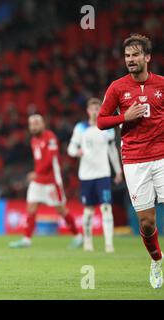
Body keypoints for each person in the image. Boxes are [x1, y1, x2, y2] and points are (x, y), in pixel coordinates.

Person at [97, 33, 164, 288]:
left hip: (162, 155)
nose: (131, 59)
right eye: (127, 56)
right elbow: (101, 121)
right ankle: (156, 260)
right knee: (146, 223)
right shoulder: (117, 88)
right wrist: (125, 116)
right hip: (135, 159)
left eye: (136, 55)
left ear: (147, 57)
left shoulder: (161, 85)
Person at [9, 114, 83, 249]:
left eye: (37, 123)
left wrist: (36, 173)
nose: (34, 126)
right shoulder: (33, 140)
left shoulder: (51, 138)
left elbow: (49, 161)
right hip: (38, 181)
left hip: (52, 182)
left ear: (43, 124)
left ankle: (78, 237)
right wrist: (37, 175)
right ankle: (26, 239)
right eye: (31, 124)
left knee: (61, 210)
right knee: (31, 208)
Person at [68, 98, 123, 253]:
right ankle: (87, 241)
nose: (94, 111)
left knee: (106, 208)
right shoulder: (81, 128)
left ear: (101, 110)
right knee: (89, 210)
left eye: (97, 108)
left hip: (103, 174)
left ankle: (109, 244)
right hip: (86, 175)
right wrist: (76, 152)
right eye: (92, 108)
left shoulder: (107, 129)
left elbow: (112, 151)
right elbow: (71, 147)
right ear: (87, 111)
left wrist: (118, 170)